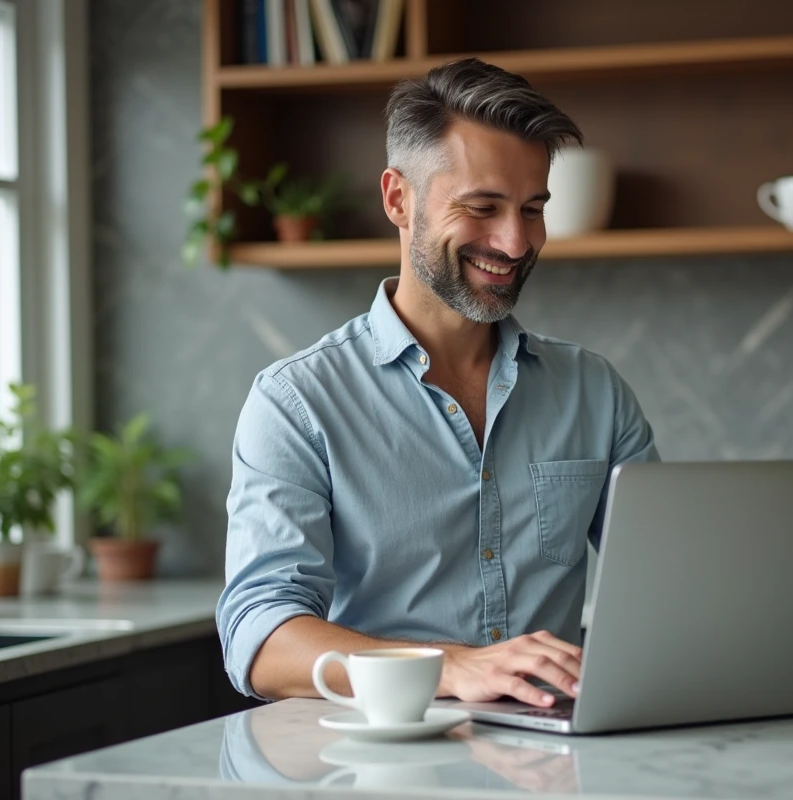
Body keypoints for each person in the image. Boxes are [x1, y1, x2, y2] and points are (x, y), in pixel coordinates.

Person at [216, 57, 660, 711]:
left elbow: (667, 585)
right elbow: (260, 639)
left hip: (554, 764)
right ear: (399, 198)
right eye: (482, 208)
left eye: (532, 209)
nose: (514, 242)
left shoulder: (593, 391)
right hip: (373, 766)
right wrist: (449, 668)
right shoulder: (297, 402)